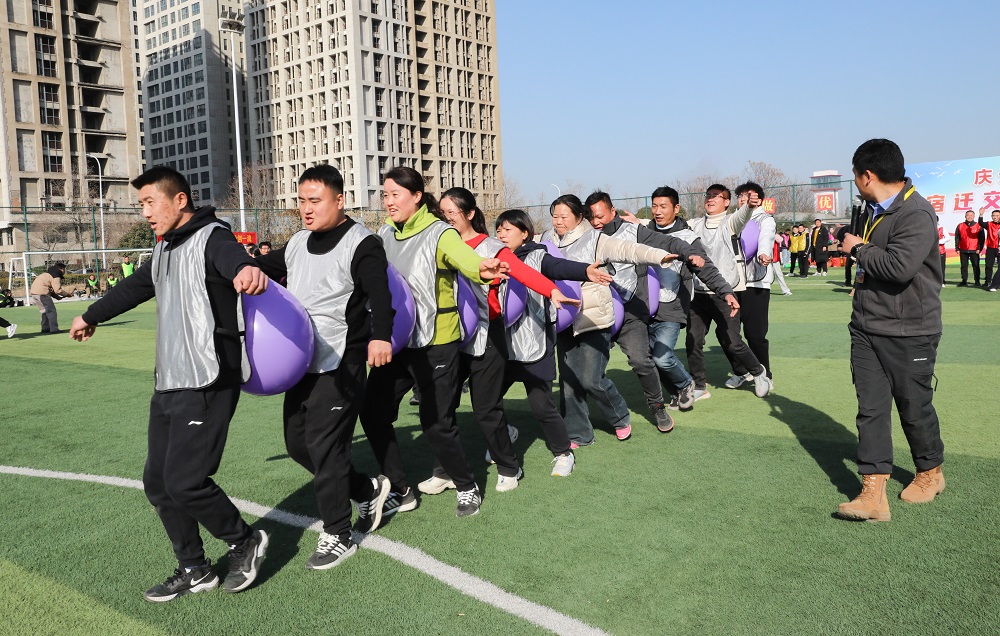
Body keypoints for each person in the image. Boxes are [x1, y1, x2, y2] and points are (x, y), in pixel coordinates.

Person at [69, 166, 270, 600]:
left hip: (207, 378)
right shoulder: (164, 248)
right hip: (169, 381)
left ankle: (244, 540)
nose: (144, 212)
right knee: (158, 483)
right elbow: (134, 288)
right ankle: (195, 568)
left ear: (180, 200)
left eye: (149, 202)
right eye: (140, 204)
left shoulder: (213, 237)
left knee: (185, 481)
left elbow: (236, 260)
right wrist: (90, 315)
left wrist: (246, 270)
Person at [254, 164, 394, 568]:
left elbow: (380, 294)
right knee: (298, 445)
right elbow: (262, 269)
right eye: (301, 201)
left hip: (341, 362)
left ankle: (338, 533)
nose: (306, 208)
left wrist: (381, 336)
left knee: (326, 447)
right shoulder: (298, 242)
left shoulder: (362, 242)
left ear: (339, 200)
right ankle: (366, 489)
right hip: (300, 362)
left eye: (314, 200)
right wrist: (237, 268)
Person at [358, 166, 509, 518]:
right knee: (373, 412)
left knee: (436, 422)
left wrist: (482, 269)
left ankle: (466, 484)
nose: (388, 201)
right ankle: (400, 488)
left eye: (395, 194)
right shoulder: (384, 233)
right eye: (385, 195)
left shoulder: (440, 232)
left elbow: (465, 259)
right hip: (397, 341)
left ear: (416, 196)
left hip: (436, 342)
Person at [423, 189, 580, 494]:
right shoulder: (438, 241)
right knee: (442, 406)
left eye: (451, 212)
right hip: (451, 336)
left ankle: (511, 466)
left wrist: (552, 290)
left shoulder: (491, 248)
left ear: (470, 214)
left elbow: (523, 272)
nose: (446, 218)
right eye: (442, 213)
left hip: (488, 335)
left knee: (488, 408)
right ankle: (444, 470)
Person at [836, 139, 945, 522]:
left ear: (868, 175)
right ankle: (873, 491)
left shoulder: (916, 212)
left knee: (914, 407)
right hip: (866, 327)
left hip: (911, 330)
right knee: (870, 410)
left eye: (855, 175)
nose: (856, 182)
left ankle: (930, 472)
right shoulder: (871, 210)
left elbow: (899, 268)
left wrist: (858, 249)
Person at [539, 194, 677, 446]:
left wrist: (659, 256)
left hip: (594, 317)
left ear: (579, 217)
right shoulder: (547, 240)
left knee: (592, 379)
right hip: (563, 318)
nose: (558, 221)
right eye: (555, 216)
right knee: (569, 381)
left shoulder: (595, 239)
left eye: (564, 217)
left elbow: (628, 250)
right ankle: (579, 433)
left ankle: (621, 417)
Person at [494, 209, 611, 474]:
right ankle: (504, 435)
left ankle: (563, 452)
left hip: (535, 343)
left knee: (541, 406)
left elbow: (559, 267)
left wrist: (585, 271)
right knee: (488, 401)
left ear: (525, 233)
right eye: (498, 230)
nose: (501, 234)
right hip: (504, 346)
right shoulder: (494, 258)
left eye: (508, 229)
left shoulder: (538, 256)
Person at [586, 190, 702, 431]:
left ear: (612, 211)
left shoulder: (632, 231)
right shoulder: (585, 238)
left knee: (643, 359)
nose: (596, 222)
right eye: (591, 217)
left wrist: (689, 252)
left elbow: (663, 242)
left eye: (600, 216)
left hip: (630, 309)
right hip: (596, 310)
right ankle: (580, 420)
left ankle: (658, 407)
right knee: (587, 373)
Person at [642, 186, 736, 412]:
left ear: (676, 208)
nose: (657, 211)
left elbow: (706, 269)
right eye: (654, 206)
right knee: (647, 359)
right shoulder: (642, 233)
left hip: (671, 307)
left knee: (662, 357)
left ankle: (686, 384)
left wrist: (726, 292)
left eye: (663, 206)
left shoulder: (688, 238)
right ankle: (677, 393)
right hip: (643, 306)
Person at [686, 185, 771, 401]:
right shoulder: (694, 224)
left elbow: (742, 217)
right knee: (693, 340)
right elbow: (670, 228)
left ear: (726, 202)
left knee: (733, 341)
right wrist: (637, 223)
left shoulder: (730, 222)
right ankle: (699, 385)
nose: (711, 199)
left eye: (717, 196)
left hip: (725, 292)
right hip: (699, 292)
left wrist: (748, 207)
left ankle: (759, 372)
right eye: (708, 195)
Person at [729, 182, 777, 385]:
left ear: (759, 199)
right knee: (727, 332)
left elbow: (766, 237)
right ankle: (741, 371)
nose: (742, 199)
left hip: (755, 283)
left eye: (747, 196)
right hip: (732, 283)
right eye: (740, 196)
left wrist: (764, 253)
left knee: (755, 334)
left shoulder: (765, 219)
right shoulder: (732, 219)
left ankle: (765, 375)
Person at [29, 262, 68, 333]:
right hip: (42, 294)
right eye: (64, 269)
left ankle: (45, 328)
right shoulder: (56, 275)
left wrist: (57, 297)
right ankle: (54, 329)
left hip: (34, 293)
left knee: (44, 311)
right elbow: (58, 290)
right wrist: (67, 294)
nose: (64, 271)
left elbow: (50, 288)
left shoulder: (47, 274)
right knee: (51, 311)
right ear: (61, 269)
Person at [954, 210, 983, 287]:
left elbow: (981, 239)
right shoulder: (960, 225)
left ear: (974, 216)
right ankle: (964, 280)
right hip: (963, 249)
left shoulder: (978, 226)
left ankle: (977, 281)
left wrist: (979, 248)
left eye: (971, 215)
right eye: (968, 215)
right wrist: (957, 248)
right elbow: (957, 238)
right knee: (964, 266)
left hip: (974, 249)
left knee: (976, 265)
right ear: (965, 216)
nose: (969, 217)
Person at [937, 221, 948, 287]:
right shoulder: (927, 228)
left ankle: (942, 281)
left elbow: (948, 237)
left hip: (940, 250)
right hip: (929, 251)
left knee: (941, 267)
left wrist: (940, 241)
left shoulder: (941, 228)